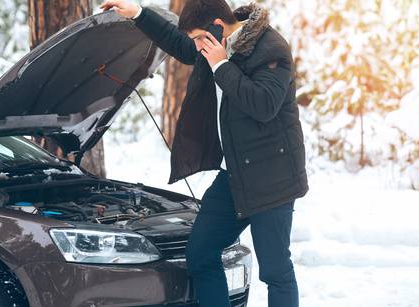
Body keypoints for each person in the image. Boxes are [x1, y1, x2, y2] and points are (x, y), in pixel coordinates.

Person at [100, 1, 309, 306]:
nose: (196, 47)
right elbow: (181, 44)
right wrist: (139, 14)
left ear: (217, 26)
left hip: (272, 179)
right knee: (200, 252)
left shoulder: (271, 48)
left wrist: (222, 65)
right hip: (234, 176)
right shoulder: (210, 44)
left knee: (275, 271)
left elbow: (264, 105)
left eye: (199, 38)